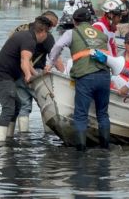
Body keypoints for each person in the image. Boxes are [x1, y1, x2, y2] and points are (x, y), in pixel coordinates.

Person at [48, 8, 111, 151]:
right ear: (90, 21)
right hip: (104, 76)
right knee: (102, 113)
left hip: (86, 77)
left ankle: (81, 151)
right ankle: (105, 147)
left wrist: (50, 63)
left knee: (81, 115)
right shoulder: (102, 34)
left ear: (74, 21)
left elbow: (58, 46)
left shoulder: (71, 33)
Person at [0, 16, 52, 142]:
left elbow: (28, 62)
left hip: (6, 76)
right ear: (43, 31)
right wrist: (28, 76)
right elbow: (24, 61)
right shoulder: (29, 40)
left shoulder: (26, 36)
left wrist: (36, 75)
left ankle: (8, 137)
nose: (48, 37)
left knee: (17, 104)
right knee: (9, 107)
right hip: (1, 76)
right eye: (48, 33)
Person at [10, 11, 65, 134]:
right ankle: (50, 136)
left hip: (16, 74)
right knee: (47, 105)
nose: (52, 29)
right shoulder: (45, 35)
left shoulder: (23, 29)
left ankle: (23, 137)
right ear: (48, 23)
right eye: (52, 26)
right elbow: (56, 58)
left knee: (24, 106)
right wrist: (65, 73)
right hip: (35, 74)